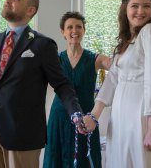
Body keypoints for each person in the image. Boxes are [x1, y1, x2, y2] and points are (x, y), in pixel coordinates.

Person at [0, 0, 91, 168]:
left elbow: (62, 85)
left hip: (23, 133)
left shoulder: (43, 45)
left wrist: (75, 113)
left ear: (30, 10)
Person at [84, 0, 151, 168]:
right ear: (125, 8)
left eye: (146, 6)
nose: (141, 11)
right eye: (135, 6)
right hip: (120, 115)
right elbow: (112, 79)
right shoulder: (127, 41)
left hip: (140, 114)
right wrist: (94, 116)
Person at [43, 11, 111, 168]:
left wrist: (140, 47)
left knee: (84, 159)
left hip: (86, 116)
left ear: (84, 31)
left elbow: (117, 64)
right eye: (70, 27)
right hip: (58, 116)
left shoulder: (95, 58)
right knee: (56, 158)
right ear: (63, 32)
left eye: (79, 27)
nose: (75, 30)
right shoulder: (55, 59)